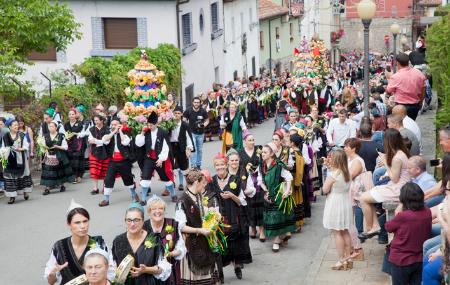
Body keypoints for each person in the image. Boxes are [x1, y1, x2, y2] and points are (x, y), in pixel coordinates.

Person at [44, 200, 114, 284]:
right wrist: (52, 275)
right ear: (69, 224)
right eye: (77, 223)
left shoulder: (98, 243)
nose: (82, 226)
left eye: (85, 221)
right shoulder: (59, 247)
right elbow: (51, 281)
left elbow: (111, 273)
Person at [207, 153, 253, 280]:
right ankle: (220, 273)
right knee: (221, 244)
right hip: (219, 218)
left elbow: (242, 201)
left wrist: (232, 196)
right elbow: (208, 199)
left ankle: (237, 266)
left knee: (236, 243)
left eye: (222, 164)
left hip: (234, 215)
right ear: (214, 167)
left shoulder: (235, 179)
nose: (220, 167)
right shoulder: (211, 181)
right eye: (217, 165)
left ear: (226, 165)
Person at [359, 128, 410, 238]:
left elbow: (395, 178)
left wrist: (385, 162)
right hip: (399, 186)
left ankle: (370, 227)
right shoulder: (401, 153)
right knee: (367, 195)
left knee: (363, 198)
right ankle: (375, 226)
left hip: (398, 188)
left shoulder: (398, 157)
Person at [175, 169, 219, 285]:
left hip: (203, 241)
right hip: (191, 243)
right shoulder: (182, 201)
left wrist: (211, 212)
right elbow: (181, 226)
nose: (204, 185)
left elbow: (200, 210)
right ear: (196, 182)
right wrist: (199, 230)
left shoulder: (198, 195)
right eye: (202, 182)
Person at [112, 202, 171, 285]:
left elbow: (163, 268)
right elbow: (112, 268)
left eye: (136, 220)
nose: (132, 224)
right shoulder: (118, 241)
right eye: (129, 220)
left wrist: (146, 270)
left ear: (143, 221)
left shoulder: (154, 239)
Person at [385, 183, 431, 285]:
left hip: (401, 260)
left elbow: (388, 227)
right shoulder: (427, 212)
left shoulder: (403, 216)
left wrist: (398, 212)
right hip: (419, 258)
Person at [259, 143, 295, 252]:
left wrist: (287, 190)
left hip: (278, 194)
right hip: (268, 195)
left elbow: (288, 177)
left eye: (265, 152)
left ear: (271, 154)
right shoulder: (262, 165)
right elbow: (260, 181)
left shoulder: (278, 165)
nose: (262, 154)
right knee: (271, 219)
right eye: (262, 152)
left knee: (279, 217)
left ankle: (276, 241)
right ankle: (281, 237)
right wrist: (265, 190)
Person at [143, 195, 186, 285]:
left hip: (170, 272)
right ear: (149, 211)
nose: (158, 211)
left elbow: (181, 247)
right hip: (148, 272)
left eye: (161, 208)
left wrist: (172, 253)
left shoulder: (173, 224)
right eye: (154, 209)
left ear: (164, 210)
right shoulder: (143, 227)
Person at [322, 149, 353, 270]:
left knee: (337, 233)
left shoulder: (333, 175)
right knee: (345, 231)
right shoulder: (347, 173)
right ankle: (348, 258)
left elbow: (324, 190)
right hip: (345, 202)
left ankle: (341, 260)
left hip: (335, 202)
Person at [136, 112, 175, 204]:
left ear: (157, 124)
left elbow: (166, 147)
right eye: (148, 125)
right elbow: (139, 144)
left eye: (152, 125)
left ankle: (173, 195)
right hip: (149, 158)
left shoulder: (163, 132)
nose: (150, 127)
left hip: (160, 158)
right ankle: (143, 199)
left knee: (166, 178)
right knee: (145, 178)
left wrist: (161, 159)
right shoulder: (146, 132)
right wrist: (142, 133)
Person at [98, 119, 136, 207]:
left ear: (120, 125)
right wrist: (114, 132)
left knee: (128, 179)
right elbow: (104, 140)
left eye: (116, 124)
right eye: (112, 124)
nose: (113, 126)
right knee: (108, 179)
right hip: (113, 161)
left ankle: (134, 195)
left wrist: (120, 131)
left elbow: (125, 142)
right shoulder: (108, 134)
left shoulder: (126, 134)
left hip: (124, 160)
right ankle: (106, 199)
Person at [239, 134, 265, 241]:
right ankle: (253, 228)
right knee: (250, 206)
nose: (252, 142)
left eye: (253, 140)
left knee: (260, 205)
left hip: (258, 181)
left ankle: (262, 230)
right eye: (249, 140)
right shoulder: (240, 152)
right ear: (245, 141)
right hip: (247, 182)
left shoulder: (259, 149)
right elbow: (240, 168)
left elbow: (263, 162)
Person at [386, 53, 426, 120]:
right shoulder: (419, 73)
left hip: (401, 107)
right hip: (415, 105)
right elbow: (423, 89)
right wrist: (421, 102)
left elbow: (388, 90)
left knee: (401, 126)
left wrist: (389, 77)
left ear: (397, 63)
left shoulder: (396, 77)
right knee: (411, 124)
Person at [1, 120, 33, 204]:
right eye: (14, 125)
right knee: (10, 177)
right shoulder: (5, 136)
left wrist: (20, 149)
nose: (16, 126)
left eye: (17, 125)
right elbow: (3, 147)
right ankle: (12, 196)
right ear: (10, 127)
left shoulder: (22, 135)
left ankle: (25, 192)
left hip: (20, 158)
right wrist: (4, 152)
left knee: (22, 175)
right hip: (9, 160)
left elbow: (26, 146)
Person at [40, 121, 74, 195]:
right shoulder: (45, 136)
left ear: (56, 127)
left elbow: (66, 147)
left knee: (59, 171)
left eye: (52, 126)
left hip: (59, 155)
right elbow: (42, 146)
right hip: (49, 155)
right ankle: (47, 188)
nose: (50, 128)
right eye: (49, 126)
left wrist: (57, 146)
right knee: (49, 171)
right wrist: (43, 147)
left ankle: (62, 185)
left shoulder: (61, 136)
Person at [168, 106, 194, 193]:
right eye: (175, 113)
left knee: (184, 166)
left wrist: (189, 148)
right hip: (171, 146)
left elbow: (189, 137)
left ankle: (188, 185)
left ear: (181, 114)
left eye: (178, 113)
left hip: (181, 146)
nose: (177, 115)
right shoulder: (169, 124)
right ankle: (169, 186)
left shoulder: (185, 125)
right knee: (169, 166)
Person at [183, 97, 209, 169]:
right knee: (193, 149)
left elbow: (207, 120)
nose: (196, 104)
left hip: (201, 133)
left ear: (200, 103)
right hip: (192, 133)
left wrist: (204, 125)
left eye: (198, 102)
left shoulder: (203, 111)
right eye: (195, 102)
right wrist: (186, 126)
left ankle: (198, 165)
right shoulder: (188, 110)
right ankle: (193, 165)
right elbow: (184, 119)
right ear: (193, 103)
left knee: (199, 150)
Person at [87, 115, 110, 195]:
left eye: (97, 120)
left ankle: (105, 187)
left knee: (105, 171)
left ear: (102, 120)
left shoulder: (107, 129)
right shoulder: (91, 129)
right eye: (94, 120)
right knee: (94, 170)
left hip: (105, 152)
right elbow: (90, 140)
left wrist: (96, 141)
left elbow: (107, 142)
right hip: (94, 152)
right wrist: (98, 141)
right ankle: (95, 188)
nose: (95, 122)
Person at [64, 109, 85, 184]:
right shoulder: (66, 124)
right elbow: (65, 133)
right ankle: (71, 176)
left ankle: (77, 176)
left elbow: (81, 133)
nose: (71, 116)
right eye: (70, 114)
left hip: (77, 144)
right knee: (70, 160)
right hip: (69, 144)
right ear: (68, 116)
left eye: (73, 114)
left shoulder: (79, 124)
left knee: (77, 161)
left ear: (75, 115)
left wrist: (74, 133)